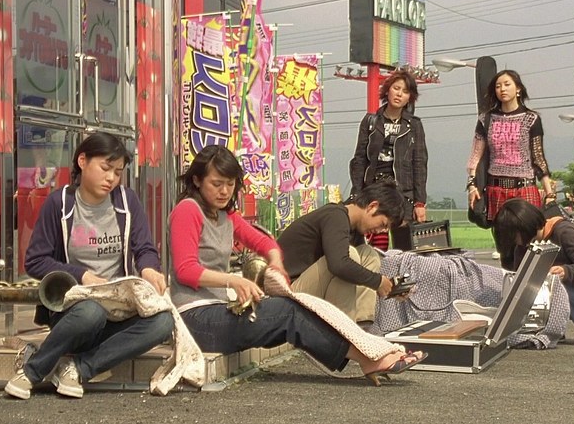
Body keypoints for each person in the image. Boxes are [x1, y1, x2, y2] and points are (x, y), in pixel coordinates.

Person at [169, 145, 425, 385]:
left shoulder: (226, 216)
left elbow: (264, 242)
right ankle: (369, 357)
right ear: (197, 180)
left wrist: (275, 261)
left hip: (217, 311)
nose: (224, 191)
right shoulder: (188, 210)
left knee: (297, 308)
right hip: (195, 319)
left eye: (230, 184)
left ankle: (369, 349)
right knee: (289, 311)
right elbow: (185, 270)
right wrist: (234, 280)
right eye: (216, 184)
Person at [5, 132, 174, 399]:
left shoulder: (127, 201)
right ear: (82, 161)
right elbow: (36, 261)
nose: (111, 178)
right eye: (105, 168)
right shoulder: (59, 203)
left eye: (118, 172)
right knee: (91, 312)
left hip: (118, 309)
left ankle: (77, 369)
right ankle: (32, 371)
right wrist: (82, 275)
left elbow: (144, 248)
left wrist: (149, 268)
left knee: (163, 322)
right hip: (74, 310)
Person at [492, 199, 574, 348]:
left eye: (513, 235)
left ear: (523, 228)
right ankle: (552, 330)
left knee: (561, 280)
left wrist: (566, 271)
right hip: (566, 299)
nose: (514, 240)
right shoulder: (521, 247)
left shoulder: (566, 232)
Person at [276, 181, 405, 323]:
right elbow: (339, 264)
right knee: (350, 256)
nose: (380, 231)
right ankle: (343, 329)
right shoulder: (335, 216)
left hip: (309, 289)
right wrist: (378, 281)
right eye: (383, 224)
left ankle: (362, 324)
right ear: (372, 206)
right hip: (287, 294)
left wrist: (389, 288)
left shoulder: (354, 230)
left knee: (369, 254)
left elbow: (358, 272)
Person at [466, 69, 555, 264]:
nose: (502, 89)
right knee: (505, 246)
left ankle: (529, 281)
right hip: (497, 190)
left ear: (518, 89)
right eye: (498, 86)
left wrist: (549, 193)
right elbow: (475, 156)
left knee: (530, 243)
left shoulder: (531, 119)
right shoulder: (486, 119)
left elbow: (538, 157)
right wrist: (472, 185)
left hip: (525, 188)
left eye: (507, 84)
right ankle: (507, 280)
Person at [349, 68, 428, 250]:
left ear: (410, 98)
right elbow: (359, 160)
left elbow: (419, 165)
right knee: (377, 243)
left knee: (405, 248)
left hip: (403, 192)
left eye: (405, 91)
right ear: (387, 90)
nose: (399, 94)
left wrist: (420, 202)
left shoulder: (414, 125)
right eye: (396, 88)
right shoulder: (370, 121)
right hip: (375, 190)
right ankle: (377, 269)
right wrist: (356, 193)